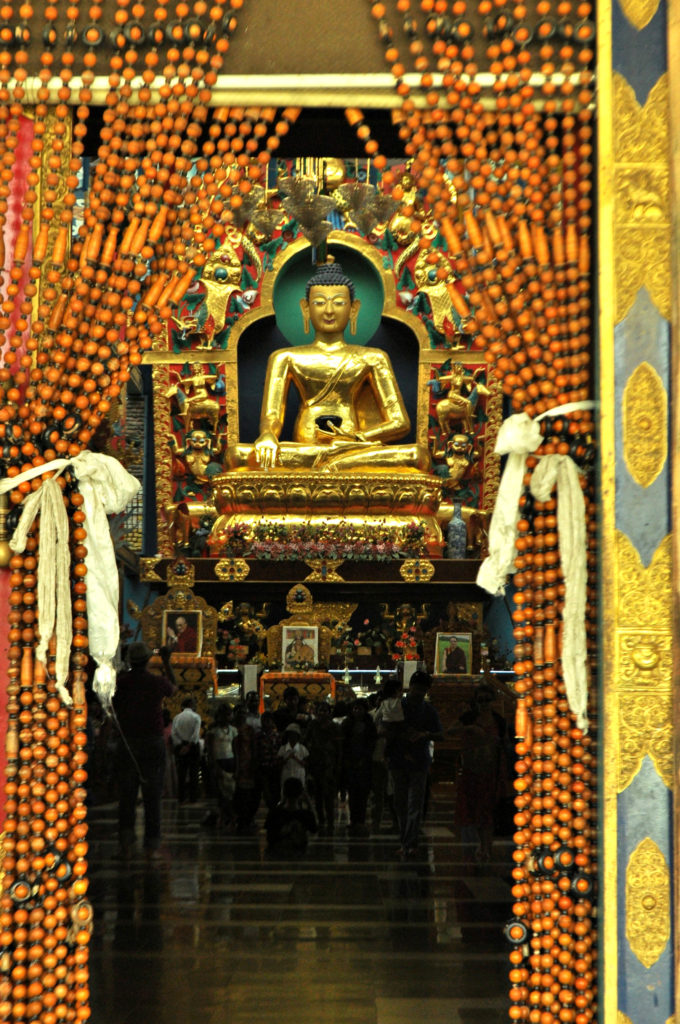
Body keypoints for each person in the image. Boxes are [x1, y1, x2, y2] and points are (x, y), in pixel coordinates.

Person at [226, 260, 431, 472]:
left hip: (354, 449)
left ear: (354, 308)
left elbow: (400, 422)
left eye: (339, 303)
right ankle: (333, 466)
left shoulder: (373, 358)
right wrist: (267, 435)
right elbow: (272, 415)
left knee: (417, 456)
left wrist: (356, 438)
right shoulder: (285, 357)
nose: (329, 311)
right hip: (304, 451)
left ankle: (336, 464)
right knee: (238, 456)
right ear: (305, 308)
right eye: (320, 303)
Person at [113, 642, 176, 860]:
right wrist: (167, 662)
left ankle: (125, 846)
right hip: (152, 740)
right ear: (149, 660)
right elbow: (173, 688)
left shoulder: (122, 683)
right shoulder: (156, 682)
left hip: (128, 741)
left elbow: (111, 701)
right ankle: (151, 848)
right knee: (152, 796)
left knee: (127, 796)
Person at [388, 671, 442, 859]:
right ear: (410, 686)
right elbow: (388, 730)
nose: (419, 692)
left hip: (419, 761)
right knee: (401, 803)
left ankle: (409, 842)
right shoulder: (398, 706)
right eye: (417, 688)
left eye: (423, 689)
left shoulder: (428, 710)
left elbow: (439, 734)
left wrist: (425, 734)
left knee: (414, 804)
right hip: (398, 759)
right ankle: (405, 840)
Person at [341, 699, 377, 836]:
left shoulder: (369, 725)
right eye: (355, 709)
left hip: (364, 764)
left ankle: (360, 821)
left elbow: (371, 744)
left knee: (362, 794)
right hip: (350, 763)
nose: (357, 711)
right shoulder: (347, 724)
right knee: (353, 792)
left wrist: (364, 758)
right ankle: (353, 820)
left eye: (359, 709)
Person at [305, 701, 341, 835]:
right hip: (316, 763)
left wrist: (337, 764)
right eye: (320, 710)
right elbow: (306, 740)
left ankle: (330, 822)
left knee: (329, 796)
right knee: (318, 796)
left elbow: (339, 748)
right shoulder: (313, 725)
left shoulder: (334, 727)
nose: (322, 713)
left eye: (325, 711)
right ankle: (321, 820)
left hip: (329, 765)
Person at [265, 777, 317, 856]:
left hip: (278, 854)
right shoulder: (305, 814)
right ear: (301, 793)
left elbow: (269, 838)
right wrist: (309, 802)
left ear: (284, 792)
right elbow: (314, 828)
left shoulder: (274, 813)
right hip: (299, 853)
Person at [171, 697, 202, 803]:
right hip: (192, 746)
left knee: (182, 773)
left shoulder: (176, 717)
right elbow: (196, 734)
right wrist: (189, 746)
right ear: (191, 705)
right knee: (194, 773)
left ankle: (181, 797)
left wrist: (181, 745)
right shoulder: (196, 716)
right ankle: (193, 797)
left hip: (180, 746)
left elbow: (173, 733)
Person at [277, 723, 309, 794]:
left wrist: (296, 758)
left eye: (294, 735)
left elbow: (306, 764)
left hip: (299, 775)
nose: (292, 737)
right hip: (286, 775)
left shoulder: (302, 748)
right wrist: (287, 759)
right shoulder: (283, 748)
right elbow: (279, 763)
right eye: (290, 734)